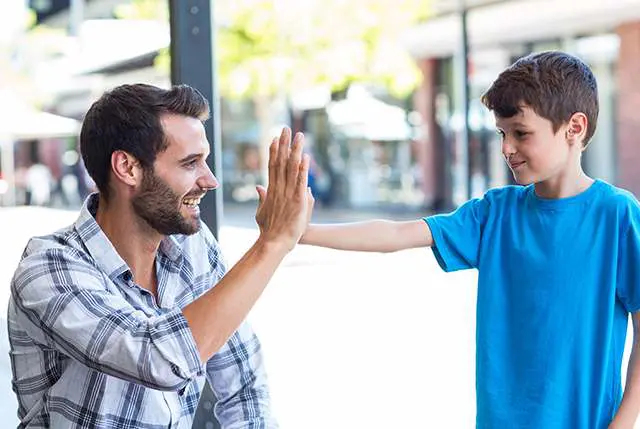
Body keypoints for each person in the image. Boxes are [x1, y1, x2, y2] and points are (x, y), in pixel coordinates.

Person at [299, 51, 640, 428]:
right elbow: (396, 233)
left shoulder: (617, 215)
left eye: (521, 133)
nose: (506, 148)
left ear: (574, 127)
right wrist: (300, 232)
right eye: (502, 133)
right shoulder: (495, 213)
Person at [8, 83, 313, 428]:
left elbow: (244, 387)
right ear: (128, 167)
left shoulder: (193, 247)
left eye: (206, 160)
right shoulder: (49, 270)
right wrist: (270, 244)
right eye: (191, 163)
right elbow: (156, 358)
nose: (210, 180)